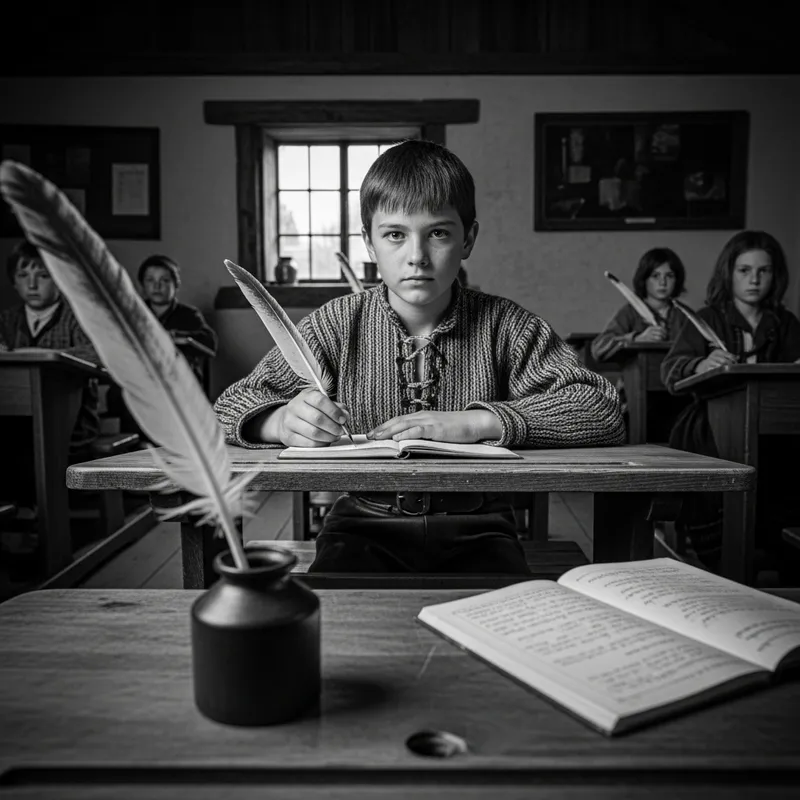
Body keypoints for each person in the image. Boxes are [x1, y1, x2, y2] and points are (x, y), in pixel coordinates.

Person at [214, 139, 626, 575]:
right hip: (361, 524)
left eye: (439, 233)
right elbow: (228, 407)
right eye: (395, 234)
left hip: (481, 526)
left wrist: (474, 423)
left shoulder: (507, 326)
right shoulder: (336, 324)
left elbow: (601, 409)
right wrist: (277, 421)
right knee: (336, 625)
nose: (416, 256)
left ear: (468, 238)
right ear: (369, 244)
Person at [661, 230, 800, 576]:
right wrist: (699, 364)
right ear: (729, 273)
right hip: (711, 420)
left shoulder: (785, 323)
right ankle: (727, 556)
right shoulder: (709, 317)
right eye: (744, 270)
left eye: (763, 271)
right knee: (720, 453)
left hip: (776, 425)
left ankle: (777, 549)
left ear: (775, 275)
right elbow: (671, 370)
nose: (754, 279)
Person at [0, 240, 100, 506]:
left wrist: (39, 355)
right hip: (15, 423)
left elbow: (98, 352)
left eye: (43, 276)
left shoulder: (76, 317)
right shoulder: (7, 320)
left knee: (33, 446)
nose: (32, 285)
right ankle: (21, 514)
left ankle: (35, 515)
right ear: (14, 281)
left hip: (73, 423)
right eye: (23, 276)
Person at [107, 254, 218, 436]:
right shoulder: (133, 314)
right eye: (150, 280)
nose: (157, 286)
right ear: (142, 285)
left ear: (176, 285)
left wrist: (175, 336)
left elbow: (210, 343)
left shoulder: (188, 315)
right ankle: (135, 447)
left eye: (165, 280)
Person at [592, 247, 690, 441]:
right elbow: (598, 348)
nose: (663, 282)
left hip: (678, 396)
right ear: (644, 279)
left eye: (669, 275)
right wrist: (635, 338)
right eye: (655, 276)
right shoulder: (630, 313)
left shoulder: (684, 315)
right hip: (637, 398)